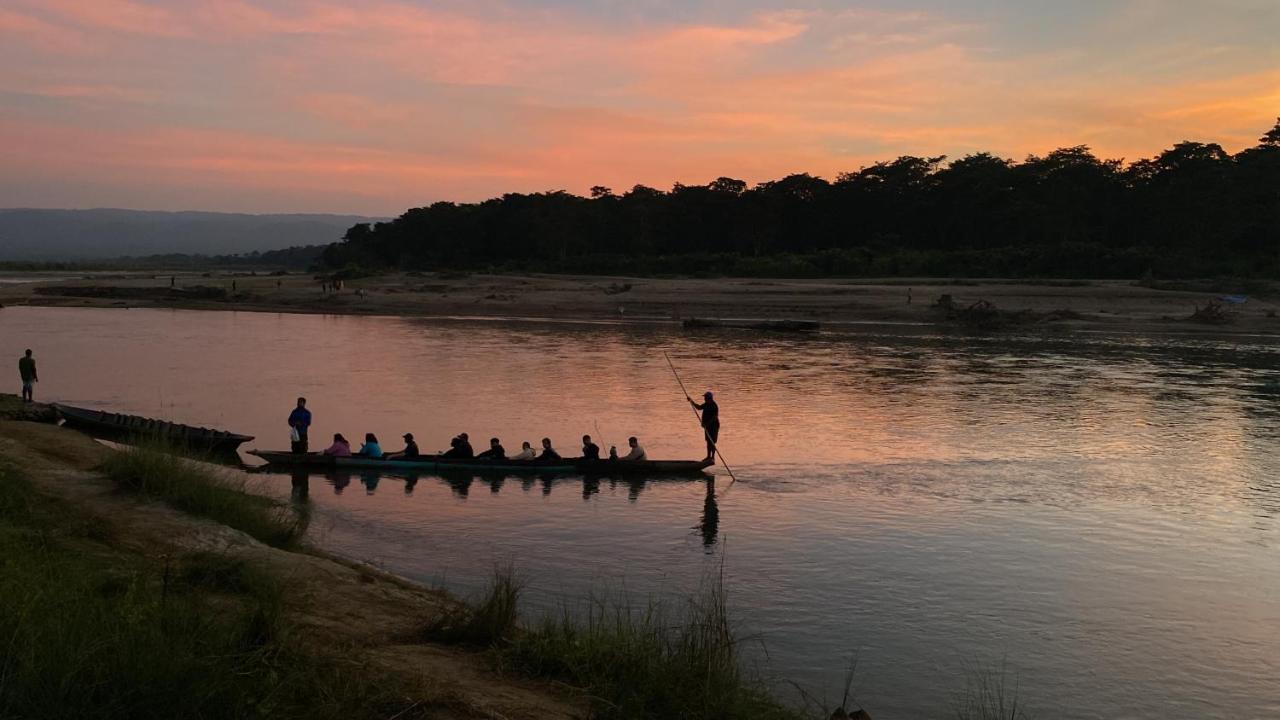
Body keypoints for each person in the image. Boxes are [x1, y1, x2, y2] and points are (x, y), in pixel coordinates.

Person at [688, 391, 720, 463]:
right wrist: (691, 401)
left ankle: (712, 457)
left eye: (705, 398)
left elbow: (715, 417)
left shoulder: (714, 406)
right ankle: (708, 456)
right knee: (708, 441)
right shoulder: (706, 404)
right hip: (707, 426)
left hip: (714, 426)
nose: (704, 399)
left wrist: (707, 424)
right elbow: (699, 407)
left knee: (712, 441)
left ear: (709, 398)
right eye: (704, 398)